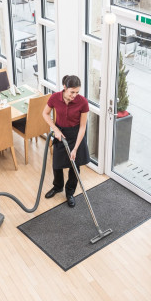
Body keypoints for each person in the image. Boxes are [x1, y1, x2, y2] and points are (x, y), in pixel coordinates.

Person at [42, 75, 90, 207]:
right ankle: (58, 187)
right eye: (72, 92)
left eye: (77, 92)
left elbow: (83, 127)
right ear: (64, 87)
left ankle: (70, 193)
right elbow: (45, 113)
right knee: (57, 164)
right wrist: (55, 129)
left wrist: (75, 148)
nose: (74, 95)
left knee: (74, 166)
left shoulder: (83, 102)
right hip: (60, 133)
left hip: (76, 135)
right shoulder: (55, 98)